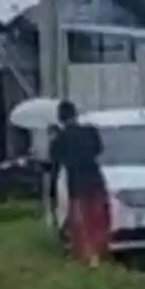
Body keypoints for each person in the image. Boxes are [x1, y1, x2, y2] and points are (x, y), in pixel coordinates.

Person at [49, 101, 110, 267]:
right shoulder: (90, 132)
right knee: (99, 219)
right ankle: (99, 254)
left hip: (76, 184)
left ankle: (88, 258)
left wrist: (52, 194)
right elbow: (99, 150)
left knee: (82, 223)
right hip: (96, 179)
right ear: (76, 115)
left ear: (60, 118)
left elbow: (54, 165)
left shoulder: (59, 139)